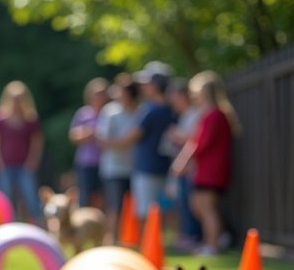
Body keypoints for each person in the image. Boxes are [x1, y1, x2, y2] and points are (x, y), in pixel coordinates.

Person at [172, 71, 241, 255]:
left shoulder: (215, 115)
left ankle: (213, 245)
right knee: (198, 206)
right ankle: (218, 237)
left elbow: (201, 143)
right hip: (206, 169)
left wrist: (184, 159)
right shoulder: (210, 115)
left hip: (212, 170)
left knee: (207, 208)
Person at [100, 62, 175, 221]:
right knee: (165, 211)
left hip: (147, 169)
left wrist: (106, 142)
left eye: (147, 83)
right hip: (166, 167)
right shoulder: (172, 108)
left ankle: (148, 245)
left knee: (145, 213)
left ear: (156, 85)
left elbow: (132, 137)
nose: (143, 87)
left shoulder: (149, 110)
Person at [0, 81, 44, 223]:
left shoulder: (31, 118)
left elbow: (37, 143)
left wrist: (32, 162)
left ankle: (38, 227)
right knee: (6, 200)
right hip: (5, 166)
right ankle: (7, 227)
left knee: (31, 199)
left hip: (24, 166)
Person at [96, 75, 140, 243]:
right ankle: (112, 239)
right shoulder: (110, 111)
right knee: (115, 206)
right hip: (113, 168)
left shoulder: (139, 111)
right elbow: (102, 139)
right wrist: (126, 141)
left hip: (134, 167)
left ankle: (130, 239)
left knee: (133, 207)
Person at [163, 78, 204, 251]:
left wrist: (177, 136)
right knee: (182, 204)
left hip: (191, 169)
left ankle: (193, 237)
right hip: (182, 169)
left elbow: (196, 141)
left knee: (192, 205)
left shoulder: (195, 114)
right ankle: (186, 235)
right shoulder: (184, 116)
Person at [68, 78, 109, 208]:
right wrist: (89, 134)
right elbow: (73, 136)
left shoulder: (109, 113)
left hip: (105, 163)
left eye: (102, 93)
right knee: (85, 196)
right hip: (86, 162)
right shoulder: (83, 114)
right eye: (97, 93)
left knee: (103, 197)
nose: (100, 97)